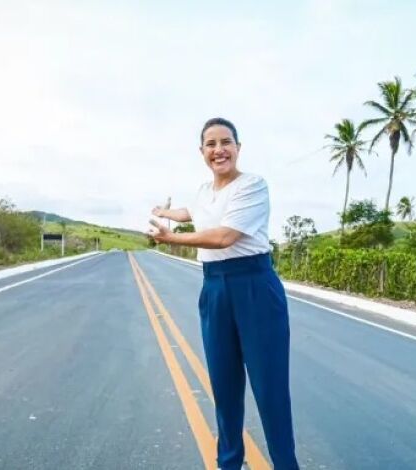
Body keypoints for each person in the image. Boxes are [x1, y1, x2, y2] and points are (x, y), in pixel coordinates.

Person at [148, 117, 299, 470]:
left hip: (254, 287)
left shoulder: (252, 186)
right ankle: (229, 463)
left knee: (270, 390)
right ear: (202, 151)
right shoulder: (204, 192)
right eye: (211, 144)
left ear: (238, 147)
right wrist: (163, 212)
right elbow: (190, 212)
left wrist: (171, 239)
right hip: (214, 287)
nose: (219, 150)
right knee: (224, 386)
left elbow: (224, 237)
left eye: (226, 142)